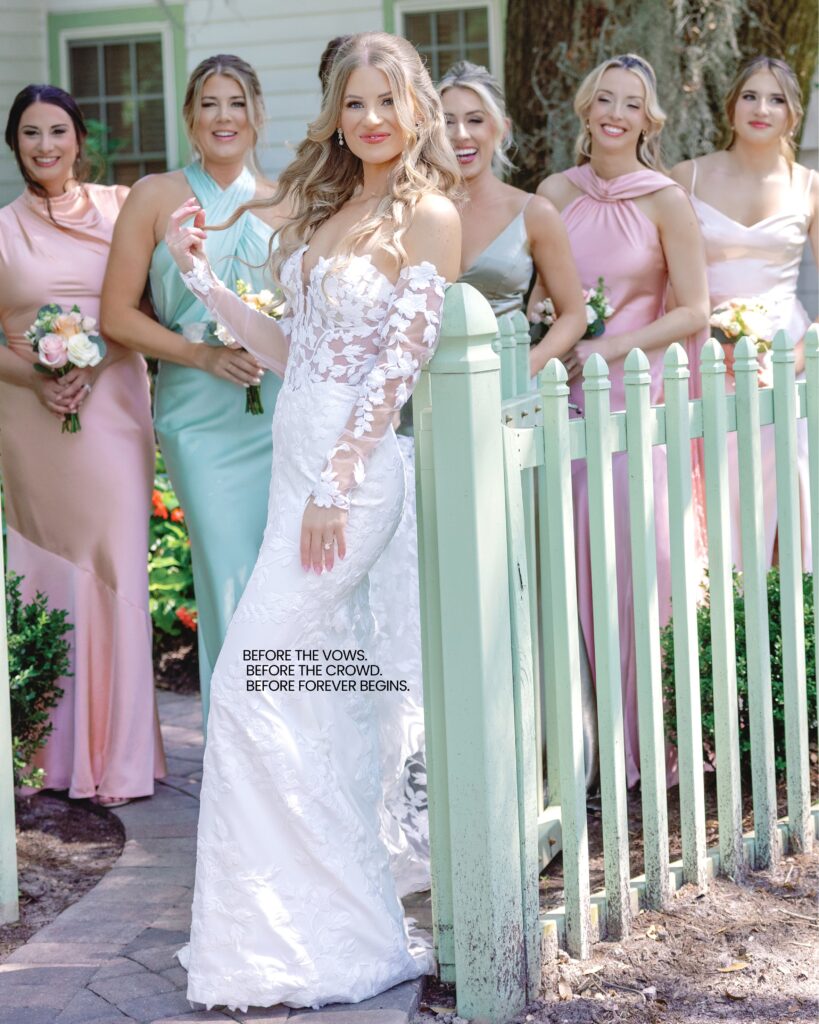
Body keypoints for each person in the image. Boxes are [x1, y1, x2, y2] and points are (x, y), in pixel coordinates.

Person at [163, 32, 461, 1010]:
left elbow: (399, 364)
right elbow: (295, 351)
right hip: (301, 467)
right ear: (337, 114)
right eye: (354, 103)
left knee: (251, 679)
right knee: (307, 699)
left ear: (414, 107)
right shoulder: (339, 207)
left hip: (352, 480)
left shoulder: (429, 215)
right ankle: (301, 922)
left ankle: (314, 918)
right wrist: (203, 280)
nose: (369, 119)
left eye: (386, 101)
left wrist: (339, 476)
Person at [534, 54, 709, 787]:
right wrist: (549, 319)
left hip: (638, 404)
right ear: (584, 108)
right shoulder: (549, 193)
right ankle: (591, 752)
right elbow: (537, 293)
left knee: (646, 570)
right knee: (572, 575)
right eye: (602, 99)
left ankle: (657, 751)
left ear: (647, 118)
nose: (613, 113)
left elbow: (695, 309)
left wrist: (609, 345)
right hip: (562, 404)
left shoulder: (666, 199)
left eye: (629, 104)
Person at [101, 55, 284, 725]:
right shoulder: (154, 195)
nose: (223, 116)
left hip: (276, 413)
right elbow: (116, 315)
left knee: (279, 582)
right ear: (189, 116)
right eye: (209, 103)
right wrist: (203, 357)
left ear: (257, 114)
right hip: (196, 414)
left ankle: (284, 742)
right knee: (225, 574)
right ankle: (234, 743)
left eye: (236, 102)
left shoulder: (287, 198)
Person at [0, 85, 165, 804]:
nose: (45, 146)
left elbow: (148, 305)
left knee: (117, 561)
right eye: (30, 134)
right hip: (26, 412)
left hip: (113, 405)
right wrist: (37, 378)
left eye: (57, 131)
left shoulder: (120, 207)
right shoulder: (0, 230)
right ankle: (52, 758)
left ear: (79, 138)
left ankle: (121, 760)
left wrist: (90, 360)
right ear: (14, 144)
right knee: (47, 568)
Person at [671, 55, 817, 573]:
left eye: (776, 98)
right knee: (715, 491)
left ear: (792, 116)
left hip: (784, 358)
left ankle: (787, 617)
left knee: (789, 485)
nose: (762, 108)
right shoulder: (686, 178)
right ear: (731, 107)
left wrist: (794, 360)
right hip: (704, 352)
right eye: (751, 96)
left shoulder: (809, 186)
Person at [439, 60, 586, 373]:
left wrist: (524, 368)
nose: (460, 134)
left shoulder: (534, 213)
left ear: (501, 129)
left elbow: (574, 314)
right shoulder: (412, 211)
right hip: (428, 389)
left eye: (475, 120)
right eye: (447, 121)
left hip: (508, 387)